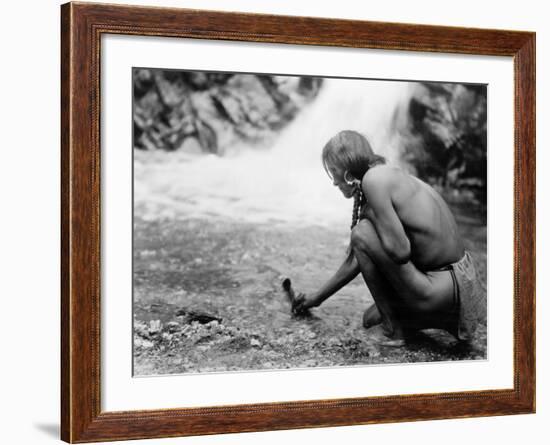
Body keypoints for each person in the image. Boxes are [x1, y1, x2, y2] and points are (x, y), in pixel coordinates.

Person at [293, 130, 482, 345]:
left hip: (442, 288)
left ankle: (395, 332)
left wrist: (371, 217)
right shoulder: (386, 175)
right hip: (461, 288)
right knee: (370, 319)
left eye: (333, 170)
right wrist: (315, 299)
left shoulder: (373, 181)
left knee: (362, 232)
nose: (334, 182)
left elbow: (400, 251)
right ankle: (426, 322)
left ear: (347, 172)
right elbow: (356, 260)